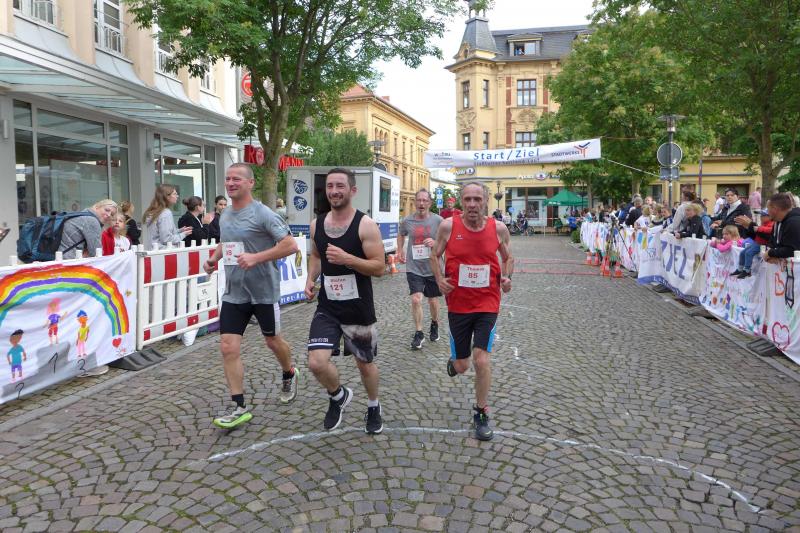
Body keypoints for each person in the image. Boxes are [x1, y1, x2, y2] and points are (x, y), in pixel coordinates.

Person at [203, 163, 301, 429]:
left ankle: (289, 372)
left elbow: (290, 245)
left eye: (237, 179)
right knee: (228, 346)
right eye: (228, 179)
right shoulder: (225, 214)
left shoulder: (263, 213)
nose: (231, 183)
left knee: (272, 341)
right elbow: (226, 242)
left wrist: (256, 258)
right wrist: (213, 259)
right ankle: (239, 406)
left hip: (263, 292)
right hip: (234, 292)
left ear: (250, 183)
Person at [304, 168, 386, 434]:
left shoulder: (365, 225)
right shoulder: (317, 224)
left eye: (340, 186)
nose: (334, 191)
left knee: (365, 365)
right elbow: (317, 256)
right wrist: (310, 279)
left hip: (358, 308)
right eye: (330, 186)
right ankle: (338, 395)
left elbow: (379, 267)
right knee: (316, 362)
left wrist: (348, 259)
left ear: (352, 190)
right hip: (328, 307)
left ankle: (373, 406)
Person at [430, 182, 513, 441]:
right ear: (461, 202)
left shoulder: (498, 228)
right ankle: (456, 362)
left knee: (482, 360)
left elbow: (508, 258)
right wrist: (439, 279)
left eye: (477, 199)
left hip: (488, 303)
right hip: (458, 304)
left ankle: (481, 412)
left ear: (486, 201)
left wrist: (507, 277)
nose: (472, 204)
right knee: (463, 365)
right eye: (468, 199)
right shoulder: (448, 227)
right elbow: (434, 255)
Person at [397, 189, 443, 350]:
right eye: (419, 200)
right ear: (415, 202)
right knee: (416, 299)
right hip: (413, 266)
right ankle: (419, 333)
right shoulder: (407, 220)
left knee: (433, 300)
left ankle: (435, 323)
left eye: (425, 200)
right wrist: (399, 250)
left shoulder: (438, 220)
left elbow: (447, 240)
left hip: (433, 267)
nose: (421, 203)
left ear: (430, 203)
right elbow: (401, 234)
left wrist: (435, 243)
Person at [142, 184, 192, 249]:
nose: (177, 196)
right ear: (167, 197)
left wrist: (180, 230)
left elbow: (159, 233)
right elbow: (167, 239)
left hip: (154, 251)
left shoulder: (154, 212)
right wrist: (183, 234)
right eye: (174, 194)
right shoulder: (166, 213)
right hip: (164, 251)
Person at [732, 209, 772, 279]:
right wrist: (748, 227)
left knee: (748, 253)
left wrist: (758, 228)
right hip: (756, 242)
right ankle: (740, 269)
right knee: (742, 252)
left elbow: (770, 230)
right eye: (761, 215)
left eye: (763, 215)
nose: (761, 217)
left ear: (769, 216)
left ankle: (747, 270)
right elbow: (755, 233)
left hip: (761, 244)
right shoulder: (763, 224)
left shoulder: (772, 223)